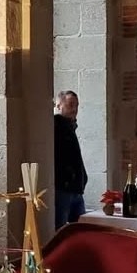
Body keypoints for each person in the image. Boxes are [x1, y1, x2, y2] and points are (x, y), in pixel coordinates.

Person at [54, 89, 88, 229]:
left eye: (76, 105)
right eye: (70, 105)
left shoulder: (70, 126)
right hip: (63, 189)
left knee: (81, 229)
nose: (74, 109)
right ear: (58, 106)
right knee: (61, 230)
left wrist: (83, 178)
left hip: (76, 190)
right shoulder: (56, 126)